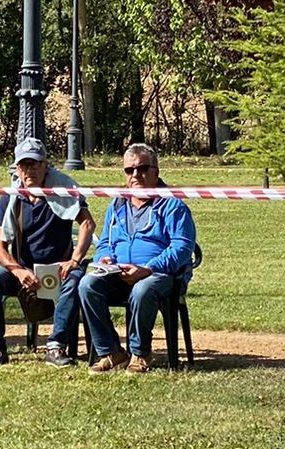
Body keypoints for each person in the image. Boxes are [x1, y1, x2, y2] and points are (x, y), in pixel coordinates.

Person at [79, 143, 199, 373]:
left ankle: (140, 353)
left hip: (162, 276)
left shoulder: (173, 205)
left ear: (156, 171)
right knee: (87, 284)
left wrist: (148, 268)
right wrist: (105, 259)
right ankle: (111, 352)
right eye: (129, 170)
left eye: (142, 168)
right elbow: (105, 242)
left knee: (143, 289)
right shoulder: (117, 204)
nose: (135, 175)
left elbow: (183, 247)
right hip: (119, 274)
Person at [0, 138, 93, 368]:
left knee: (76, 279)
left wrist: (74, 260)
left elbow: (87, 224)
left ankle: (56, 346)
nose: (28, 170)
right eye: (23, 165)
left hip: (59, 271)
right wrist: (19, 272)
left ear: (45, 165)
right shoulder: (9, 197)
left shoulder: (63, 188)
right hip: (24, 272)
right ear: (17, 168)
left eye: (34, 164)